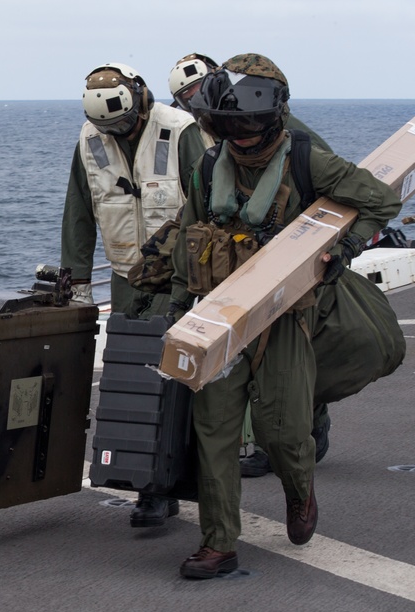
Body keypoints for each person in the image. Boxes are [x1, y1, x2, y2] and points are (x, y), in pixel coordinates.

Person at [168, 54, 402, 579]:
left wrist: (346, 248)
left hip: (284, 318)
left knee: (283, 428)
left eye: (249, 127)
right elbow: (191, 234)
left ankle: (300, 493)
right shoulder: (208, 169)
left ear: (273, 118)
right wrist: (181, 303)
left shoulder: (307, 161)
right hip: (223, 319)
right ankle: (218, 543)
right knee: (215, 430)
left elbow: (379, 200)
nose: (242, 139)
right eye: (228, 128)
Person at [168, 52, 335, 478]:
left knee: (292, 367)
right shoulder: (219, 128)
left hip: (292, 275)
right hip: (236, 268)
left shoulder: (297, 142)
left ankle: (307, 428)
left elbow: (333, 201)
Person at [60, 62, 206, 528]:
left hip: (181, 274)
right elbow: (79, 212)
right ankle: (152, 487)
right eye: (108, 127)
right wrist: (76, 282)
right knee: (137, 381)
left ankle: (179, 480)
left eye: (123, 123)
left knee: (179, 379)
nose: (117, 132)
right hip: (127, 276)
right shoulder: (89, 140)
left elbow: (207, 203)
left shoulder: (181, 132)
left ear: (140, 100)